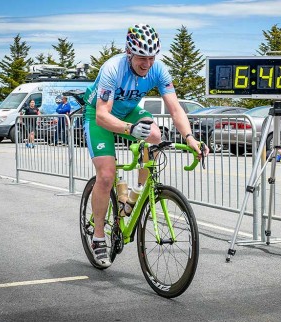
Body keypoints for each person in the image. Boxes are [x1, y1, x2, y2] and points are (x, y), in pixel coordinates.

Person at [83, 23, 209, 268]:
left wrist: (190, 138)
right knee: (107, 175)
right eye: (142, 57)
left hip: (128, 112)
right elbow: (102, 115)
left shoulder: (158, 69)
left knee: (155, 134)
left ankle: (138, 193)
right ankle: (99, 236)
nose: (147, 64)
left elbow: (175, 109)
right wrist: (130, 129)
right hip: (99, 116)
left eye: (151, 58)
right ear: (129, 53)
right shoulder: (112, 69)